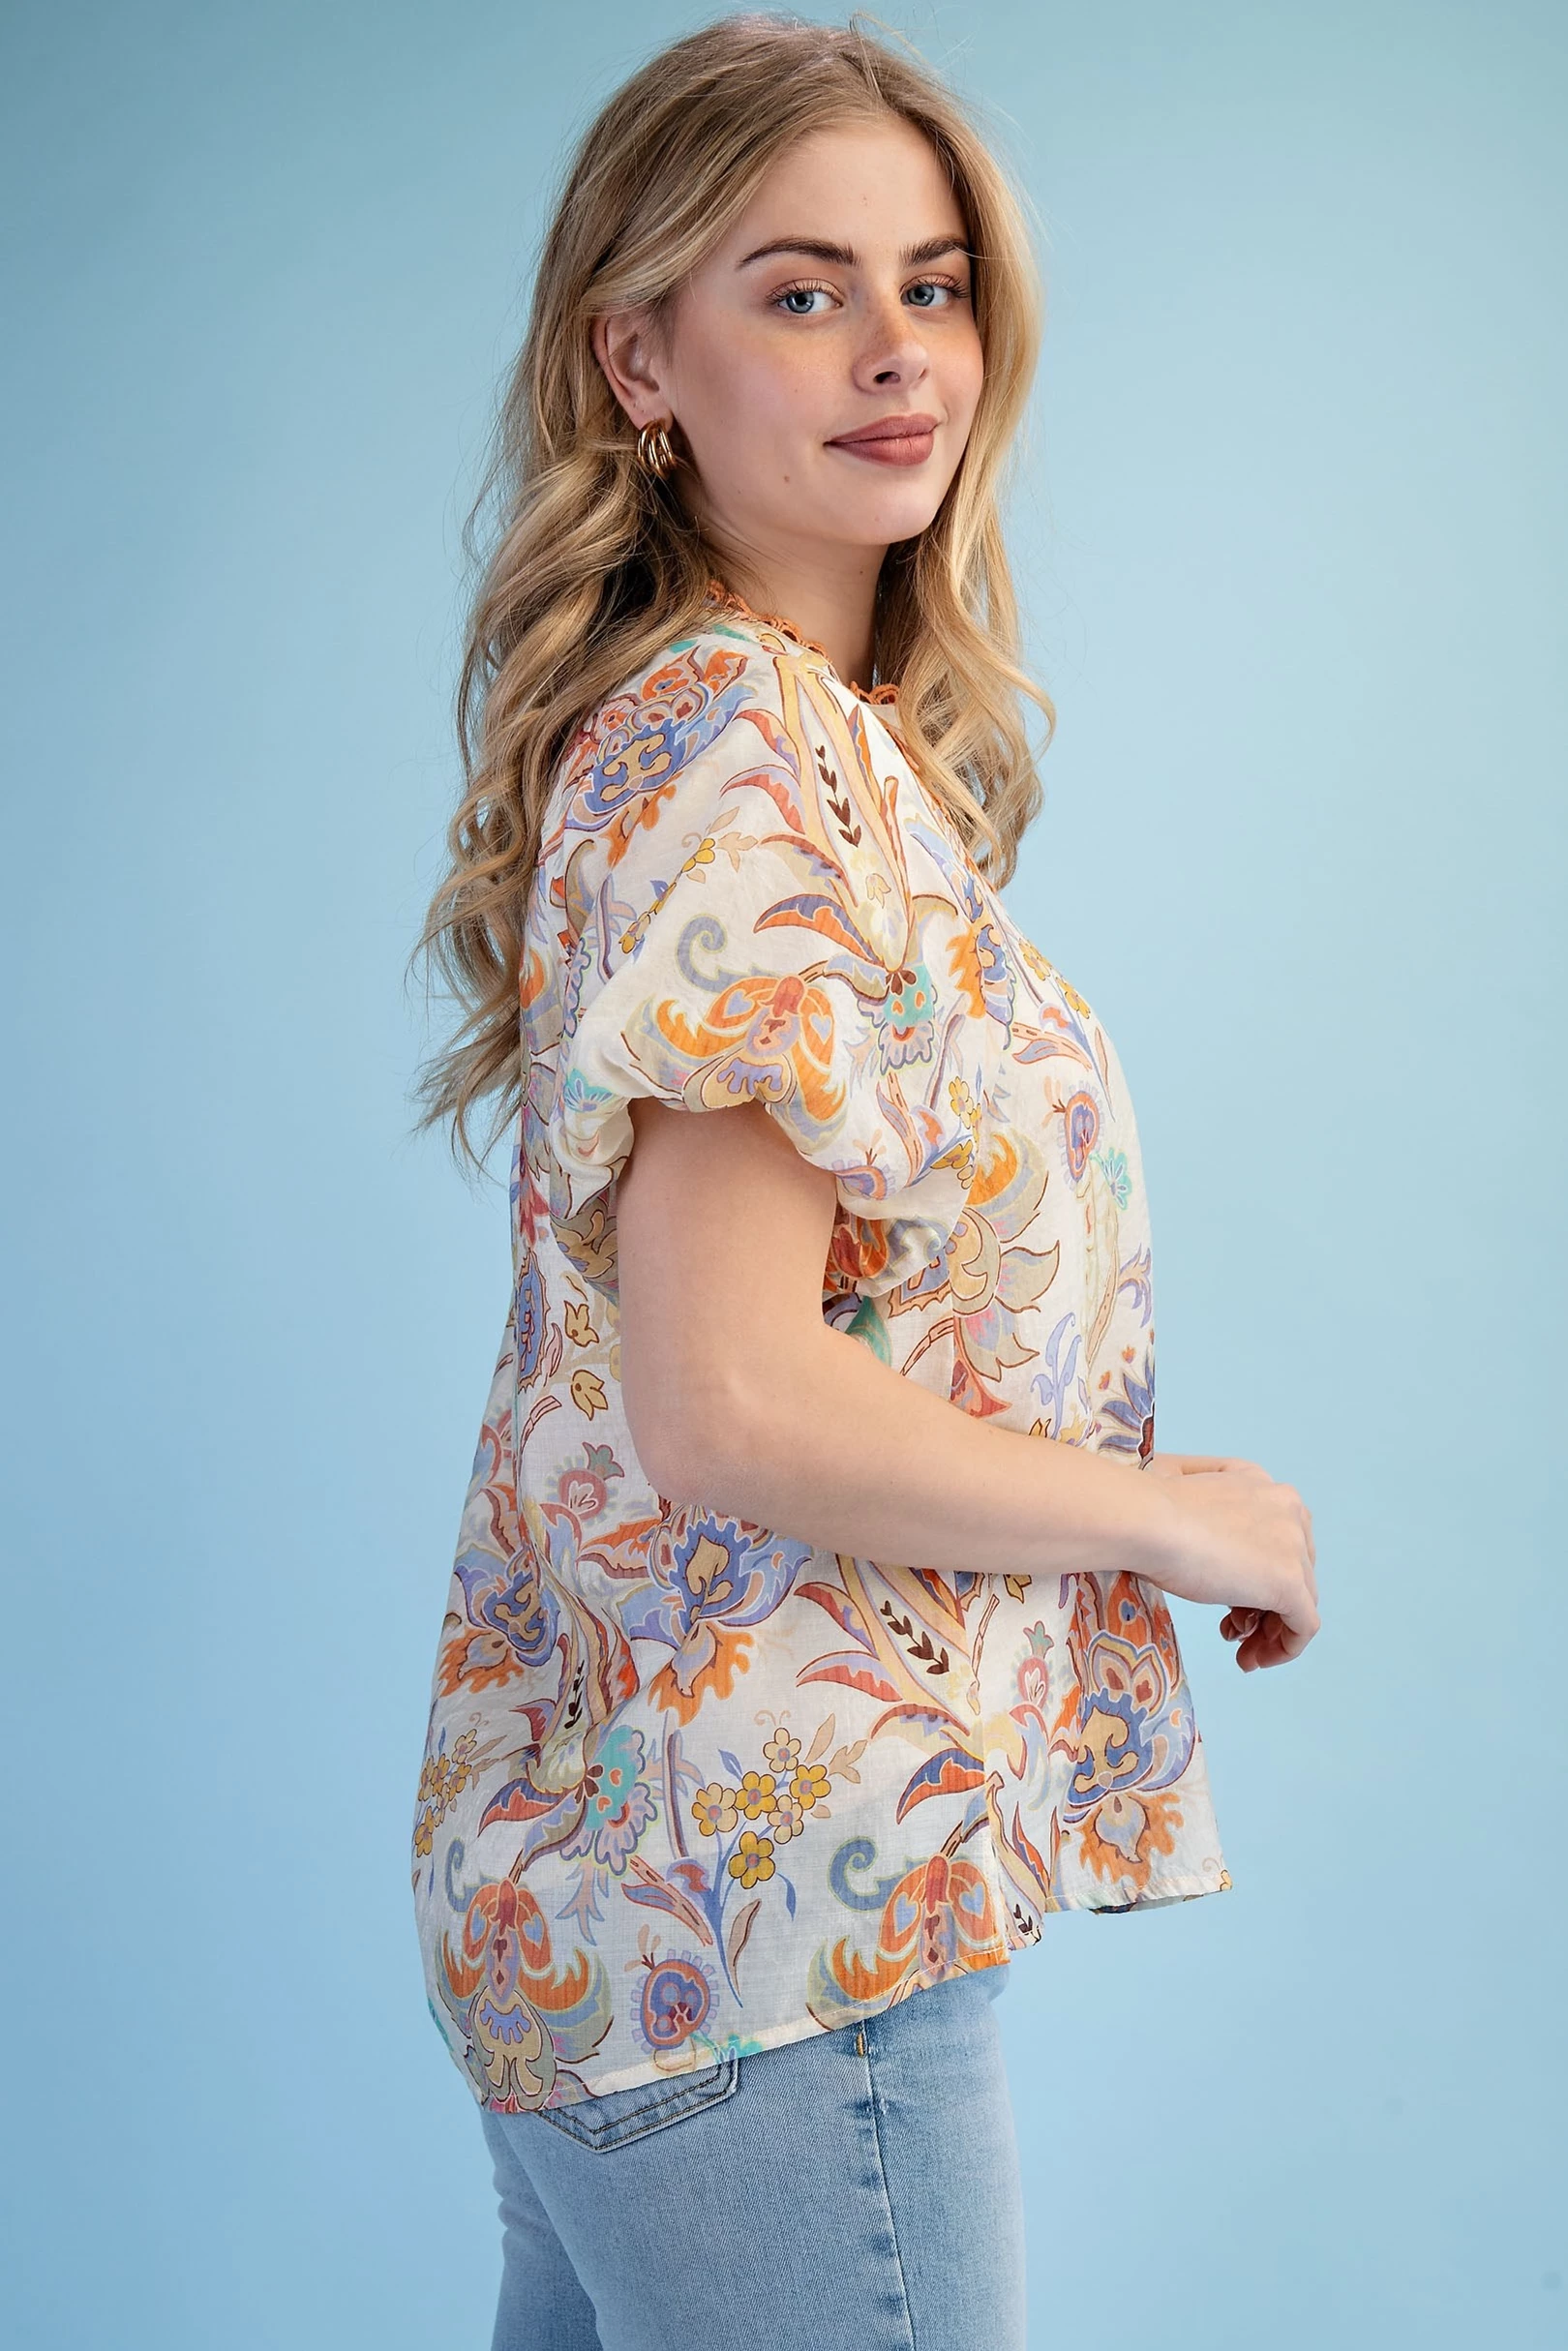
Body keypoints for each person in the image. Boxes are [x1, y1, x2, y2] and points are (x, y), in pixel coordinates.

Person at [407, 15, 1319, 2348]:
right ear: (638, 358)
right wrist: (1163, 1516)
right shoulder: (736, 751)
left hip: (640, 1913)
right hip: (770, 1942)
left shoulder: (774, 739)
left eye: (933, 285)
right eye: (801, 290)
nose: (898, 351)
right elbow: (725, 1396)